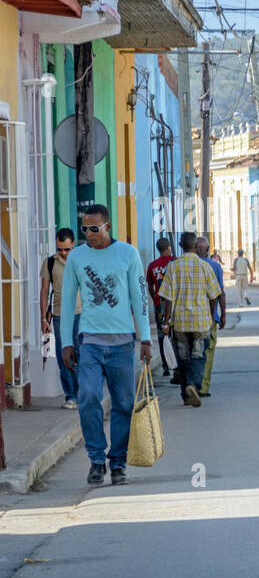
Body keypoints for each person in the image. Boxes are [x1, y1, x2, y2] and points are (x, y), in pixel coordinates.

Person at [60, 205, 152, 486]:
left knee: (124, 404)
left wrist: (145, 337)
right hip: (89, 342)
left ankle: (118, 463)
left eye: (94, 229)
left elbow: (139, 297)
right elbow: (66, 302)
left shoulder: (127, 254)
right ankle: (96, 459)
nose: (89, 234)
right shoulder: (76, 256)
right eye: (84, 229)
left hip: (123, 343)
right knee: (87, 397)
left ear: (107, 226)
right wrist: (66, 342)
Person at [158, 231, 222, 408]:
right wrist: (211, 316)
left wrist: (165, 321)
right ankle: (194, 386)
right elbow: (214, 295)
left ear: (180, 246)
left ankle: (186, 394)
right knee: (199, 356)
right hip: (201, 322)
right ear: (195, 247)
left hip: (179, 323)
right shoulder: (205, 267)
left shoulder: (173, 267)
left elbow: (167, 298)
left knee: (183, 358)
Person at [40, 227, 80, 407]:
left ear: (73, 245)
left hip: (81, 315)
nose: (63, 253)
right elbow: (44, 291)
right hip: (58, 316)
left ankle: (83, 393)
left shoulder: (81, 261)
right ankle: (70, 395)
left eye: (67, 249)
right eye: (60, 249)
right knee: (64, 356)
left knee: (81, 355)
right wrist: (43, 319)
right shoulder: (49, 263)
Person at [194, 236, 226, 397]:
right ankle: (203, 387)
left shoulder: (183, 265)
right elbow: (219, 294)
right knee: (208, 352)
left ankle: (192, 384)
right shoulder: (214, 266)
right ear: (207, 250)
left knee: (192, 352)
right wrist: (222, 315)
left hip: (189, 318)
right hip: (209, 318)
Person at [145, 237, 176, 378]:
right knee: (175, 334)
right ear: (169, 247)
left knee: (162, 335)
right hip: (174, 303)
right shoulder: (175, 261)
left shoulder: (152, 266)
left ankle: (165, 366)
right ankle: (175, 364)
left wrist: (155, 298)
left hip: (159, 304)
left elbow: (150, 286)